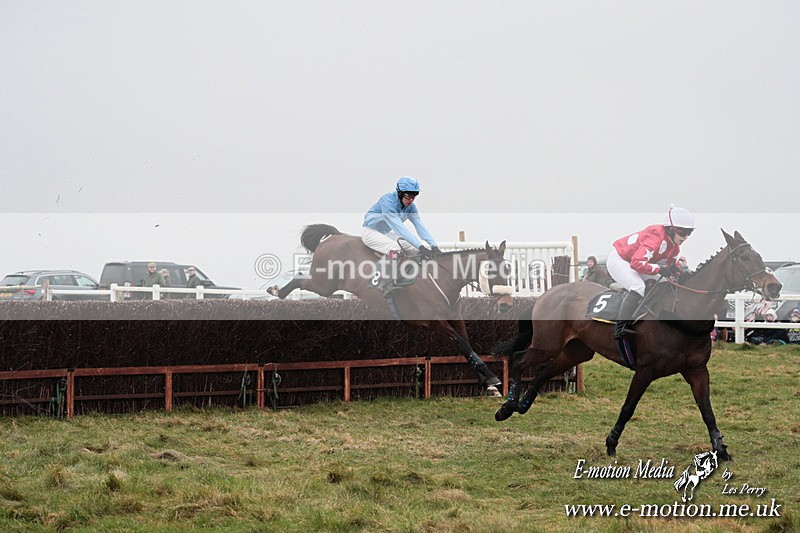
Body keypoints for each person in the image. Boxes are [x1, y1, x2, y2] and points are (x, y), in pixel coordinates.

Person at [607, 205, 695, 339]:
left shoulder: (675, 248)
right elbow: (636, 263)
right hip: (620, 260)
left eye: (689, 233)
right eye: (683, 232)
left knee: (666, 282)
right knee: (638, 287)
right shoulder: (655, 238)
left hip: (634, 262)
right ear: (671, 229)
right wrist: (660, 269)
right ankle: (621, 327)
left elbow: (670, 268)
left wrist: (677, 271)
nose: (686, 237)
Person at [362, 176, 441, 296]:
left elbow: (420, 226)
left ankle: (415, 281)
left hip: (386, 234)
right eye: (408, 196)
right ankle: (386, 283)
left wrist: (433, 245)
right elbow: (401, 229)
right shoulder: (387, 201)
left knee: (413, 249)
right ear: (399, 193)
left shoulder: (411, 207)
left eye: (414, 196)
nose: (411, 200)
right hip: (370, 232)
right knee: (395, 248)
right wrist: (421, 247)